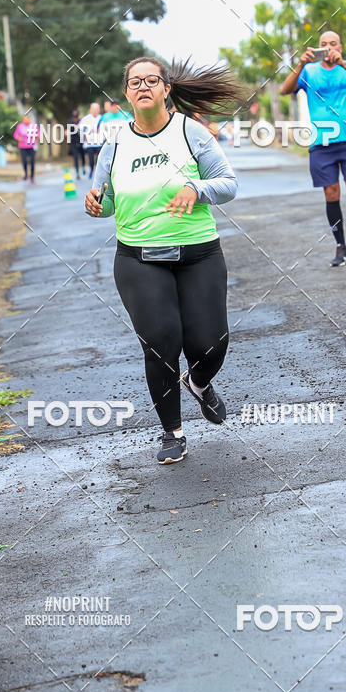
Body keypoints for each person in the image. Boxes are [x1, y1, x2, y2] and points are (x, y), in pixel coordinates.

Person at [85, 57, 244, 465]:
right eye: (134, 81)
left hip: (198, 253)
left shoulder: (191, 133)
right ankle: (172, 433)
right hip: (139, 259)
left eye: (151, 80)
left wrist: (195, 187)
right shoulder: (115, 145)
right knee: (161, 344)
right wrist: (96, 205)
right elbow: (106, 204)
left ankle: (200, 380)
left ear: (165, 89)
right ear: (126, 93)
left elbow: (228, 185)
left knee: (211, 343)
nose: (143, 86)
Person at [281, 31, 346, 267]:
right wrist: (300, 63)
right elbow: (285, 89)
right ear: (317, 48)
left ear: (340, 46)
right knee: (331, 194)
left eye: (332, 44)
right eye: (323, 44)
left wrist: (341, 62)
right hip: (322, 143)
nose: (328, 47)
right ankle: (341, 247)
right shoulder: (309, 71)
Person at [80, 102, 104, 179]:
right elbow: (80, 129)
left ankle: (98, 172)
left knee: (99, 159)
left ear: (99, 110)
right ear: (90, 109)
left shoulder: (102, 118)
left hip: (100, 143)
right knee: (91, 160)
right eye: (93, 109)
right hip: (89, 143)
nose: (95, 110)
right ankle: (91, 170)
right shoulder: (85, 119)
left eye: (97, 109)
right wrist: (84, 136)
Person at [13, 115, 39, 182]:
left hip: (32, 146)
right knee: (24, 161)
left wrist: (36, 136)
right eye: (24, 119)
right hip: (23, 146)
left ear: (29, 119)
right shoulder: (20, 126)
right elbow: (15, 135)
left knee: (32, 161)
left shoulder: (34, 126)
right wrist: (18, 138)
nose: (25, 120)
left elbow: (39, 135)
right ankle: (26, 175)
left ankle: (32, 176)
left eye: (26, 119)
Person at [68, 109, 86, 179]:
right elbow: (66, 130)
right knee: (75, 157)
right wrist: (67, 133)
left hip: (81, 141)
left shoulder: (81, 121)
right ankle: (77, 172)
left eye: (76, 117)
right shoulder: (69, 122)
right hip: (73, 142)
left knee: (82, 156)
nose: (75, 119)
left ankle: (83, 167)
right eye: (74, 117)